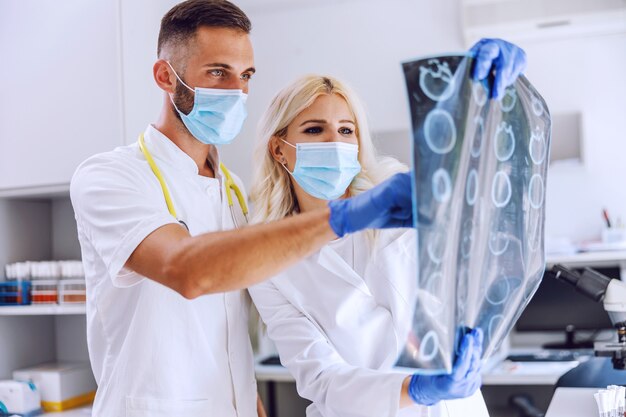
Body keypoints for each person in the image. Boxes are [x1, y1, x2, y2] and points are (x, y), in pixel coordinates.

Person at [68, 0, 525, 415]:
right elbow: (188, 271)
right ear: (167, 76)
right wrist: (342, 220)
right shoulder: (111, 176)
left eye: (245, 76)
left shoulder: (234, 198)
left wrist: (486, 99)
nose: (235, 91)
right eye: (217, 73)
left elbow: (482, 203)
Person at [247, 74, 521, 416]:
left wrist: (485, 90)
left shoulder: (395, 194)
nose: (336, 142)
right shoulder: (268, 262)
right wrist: (415, 390)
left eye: (346, 130)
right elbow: (322, 378)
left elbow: (480, 216)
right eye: (315, 130)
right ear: (279, 149)